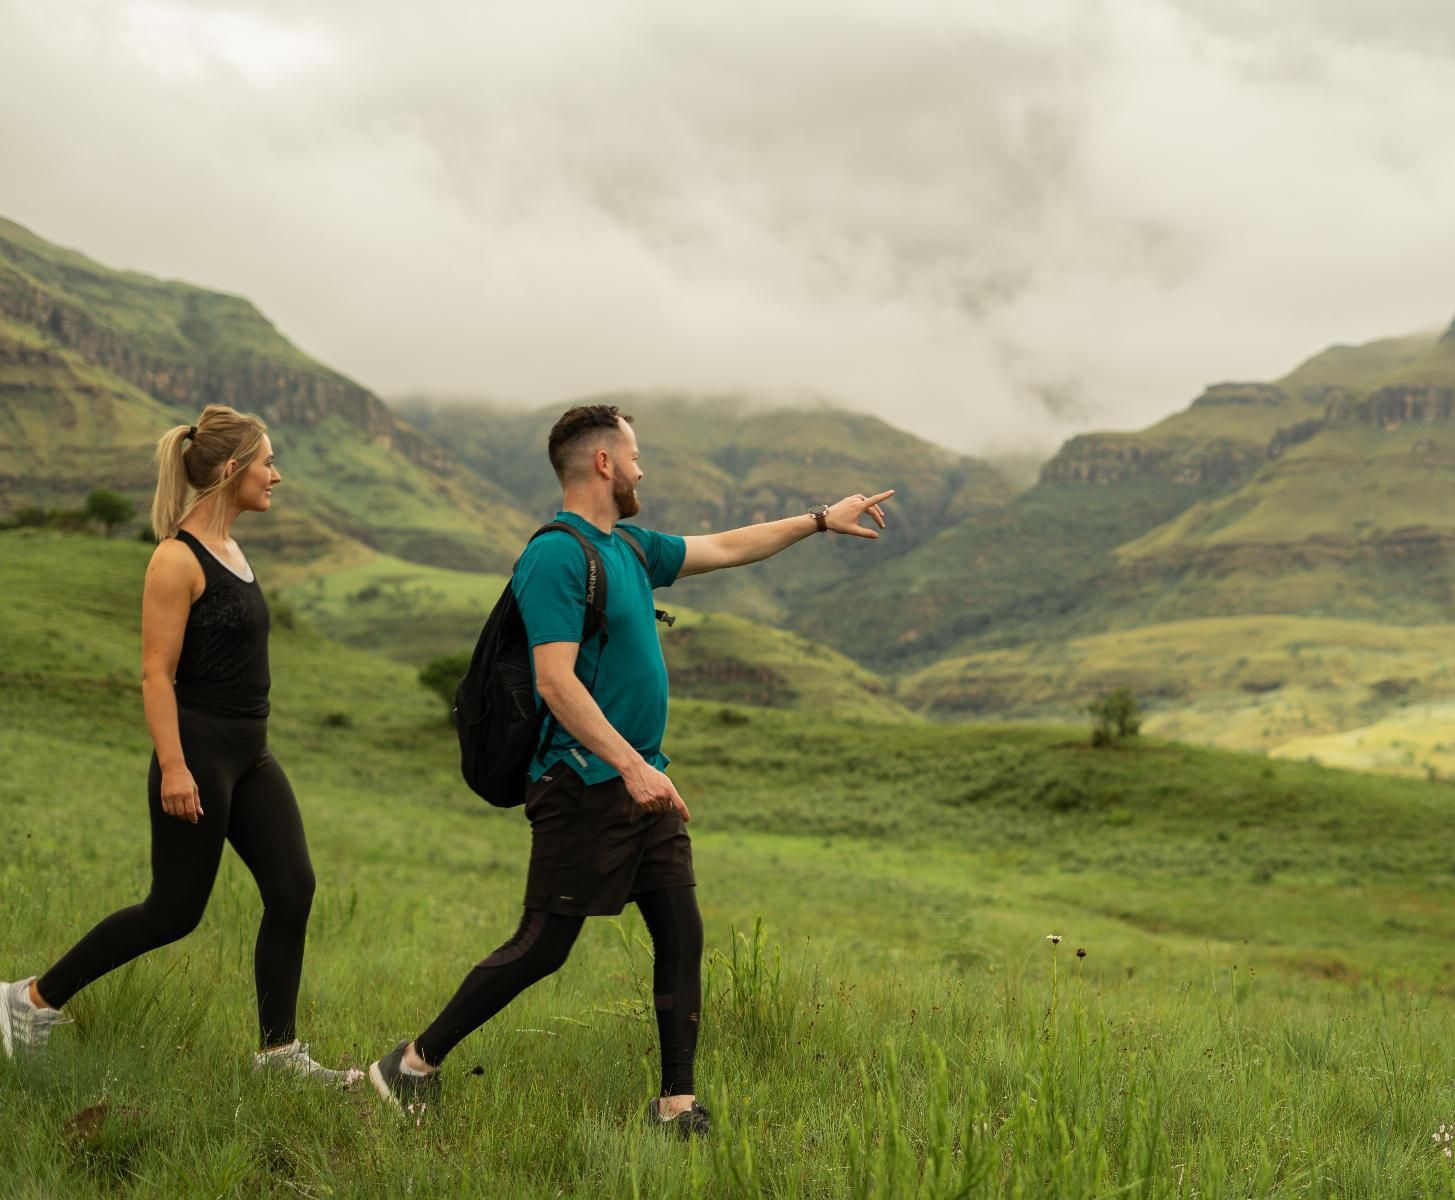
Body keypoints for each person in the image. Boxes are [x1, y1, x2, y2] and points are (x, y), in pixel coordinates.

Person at [366, 403, 893, 1134]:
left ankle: (677, 1105)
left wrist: (819, 519)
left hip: (644, 780)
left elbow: (729, 547)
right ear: (604, 463)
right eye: (636, 456)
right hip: (582, 781)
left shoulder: (632, 547)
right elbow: (555, 681)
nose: (644, 469)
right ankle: (411, 1065)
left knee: (682, 929)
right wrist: (627, 767)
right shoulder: (556, 553)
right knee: (543, 946)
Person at [1, 404, 351, 1084]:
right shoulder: (175, 559)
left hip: (252, 753)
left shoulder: (232, 549)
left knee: (293, 887)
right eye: (267, 463)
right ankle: (29, 1000)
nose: (276, 477)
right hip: (197, 754)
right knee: (172, 911)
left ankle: (278, 1056)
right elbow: (155, 674)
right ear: (231, 470)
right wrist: (174, 768)